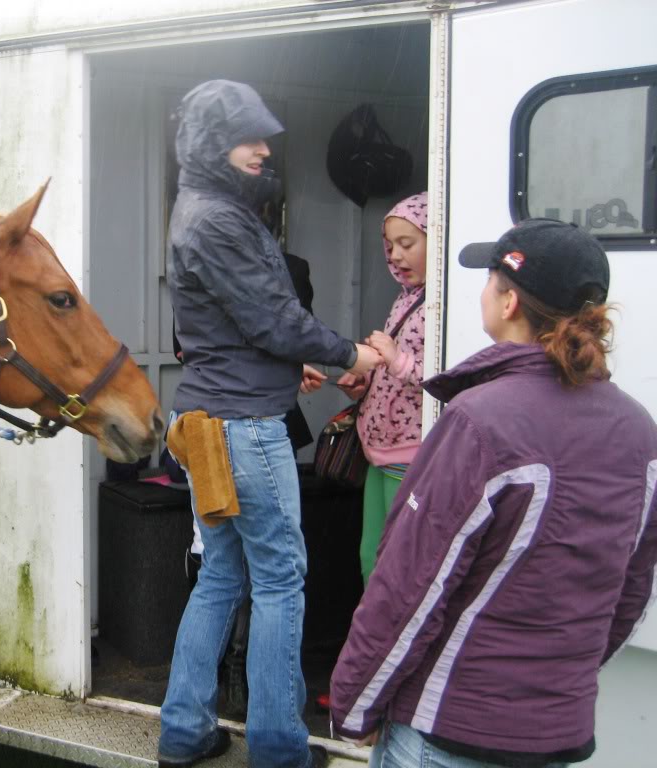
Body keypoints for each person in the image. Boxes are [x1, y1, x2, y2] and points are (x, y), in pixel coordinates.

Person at [330, 219, 657, 767]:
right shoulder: (638, 430)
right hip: (554, 734)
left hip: (445, 732)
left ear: (508, 302)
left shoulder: (481, 421)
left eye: (489, 280)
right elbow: (630, 591)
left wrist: (353, 704)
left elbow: (409, 590)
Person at [158, 78, 381, 768]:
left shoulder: (200, 208)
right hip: (246, 428)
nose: (263, 149)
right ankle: (281, 748)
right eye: (248, 137)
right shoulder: (219, 219)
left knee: (223, 577)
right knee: (282, 580)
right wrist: (354, 354)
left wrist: (294, 370)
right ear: (211, 145)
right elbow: (273, 319)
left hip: (209, 418)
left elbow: (233, 329)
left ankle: (186, 731)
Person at [336, 192, 428, 584]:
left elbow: (447, 380)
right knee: (370, 555)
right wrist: (366, 379)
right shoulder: (405, 301)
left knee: (396, 563)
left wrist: (395, 359)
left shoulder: (445, 306)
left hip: (409, 453)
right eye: (390, 247)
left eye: (408, 244)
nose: (396, 256)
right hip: (379, 451)